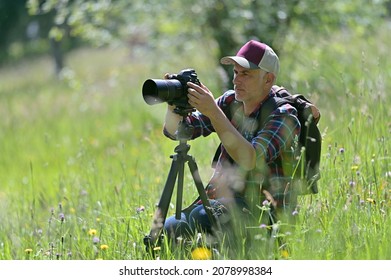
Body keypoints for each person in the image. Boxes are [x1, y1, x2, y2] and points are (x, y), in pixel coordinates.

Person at [162, 40, 301, 250]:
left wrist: (213, 112)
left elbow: (250, 159)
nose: (236, 80)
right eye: (235, 72)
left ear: (268, 79)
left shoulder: (284, 115)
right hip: (222, 203)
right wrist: (175, 102)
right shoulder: (230, 102)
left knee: (198, 220)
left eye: (246, 74)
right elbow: (180, 131)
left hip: (263, 214)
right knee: (169, 229)